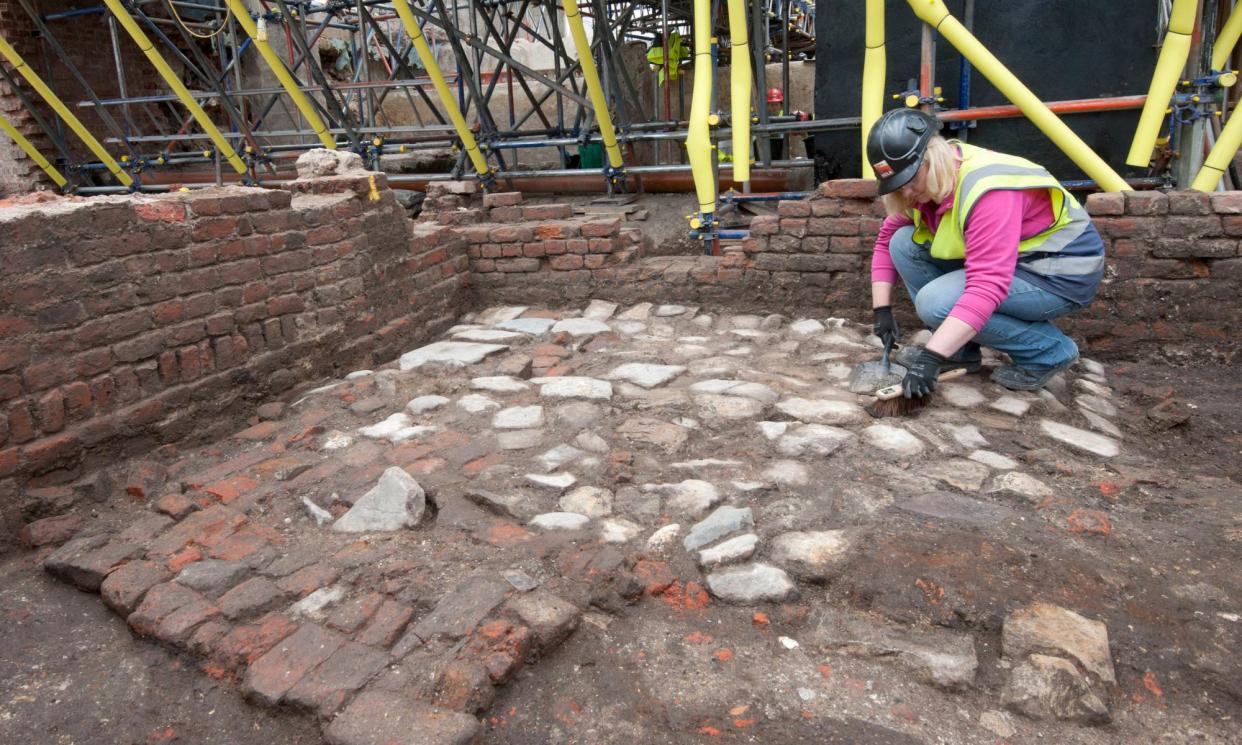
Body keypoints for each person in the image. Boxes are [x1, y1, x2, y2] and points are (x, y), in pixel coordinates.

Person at [865, 108, 1105, 395]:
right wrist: (882, 311)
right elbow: (885, 241)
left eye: (909, 182)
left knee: (935, 303)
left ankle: (1048, 351)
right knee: (903, 243)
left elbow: (987, 286)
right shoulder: (934, 179)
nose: (905, 194)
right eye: (896, 186)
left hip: (1058, 275)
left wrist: (930, 357)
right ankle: (960, 350)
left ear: (929, 160)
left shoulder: (989, 192)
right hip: (1014, 264)